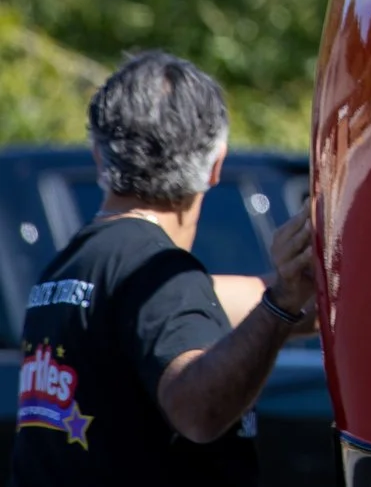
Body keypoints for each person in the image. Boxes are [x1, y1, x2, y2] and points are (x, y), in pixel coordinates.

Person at [11, 51, 316, 486]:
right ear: (215, 166)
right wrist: (282, 303)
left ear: (100, 156)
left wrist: (293, 297)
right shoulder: (156, 270)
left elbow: (214, 303)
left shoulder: (72, 267)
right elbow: (197, 411)